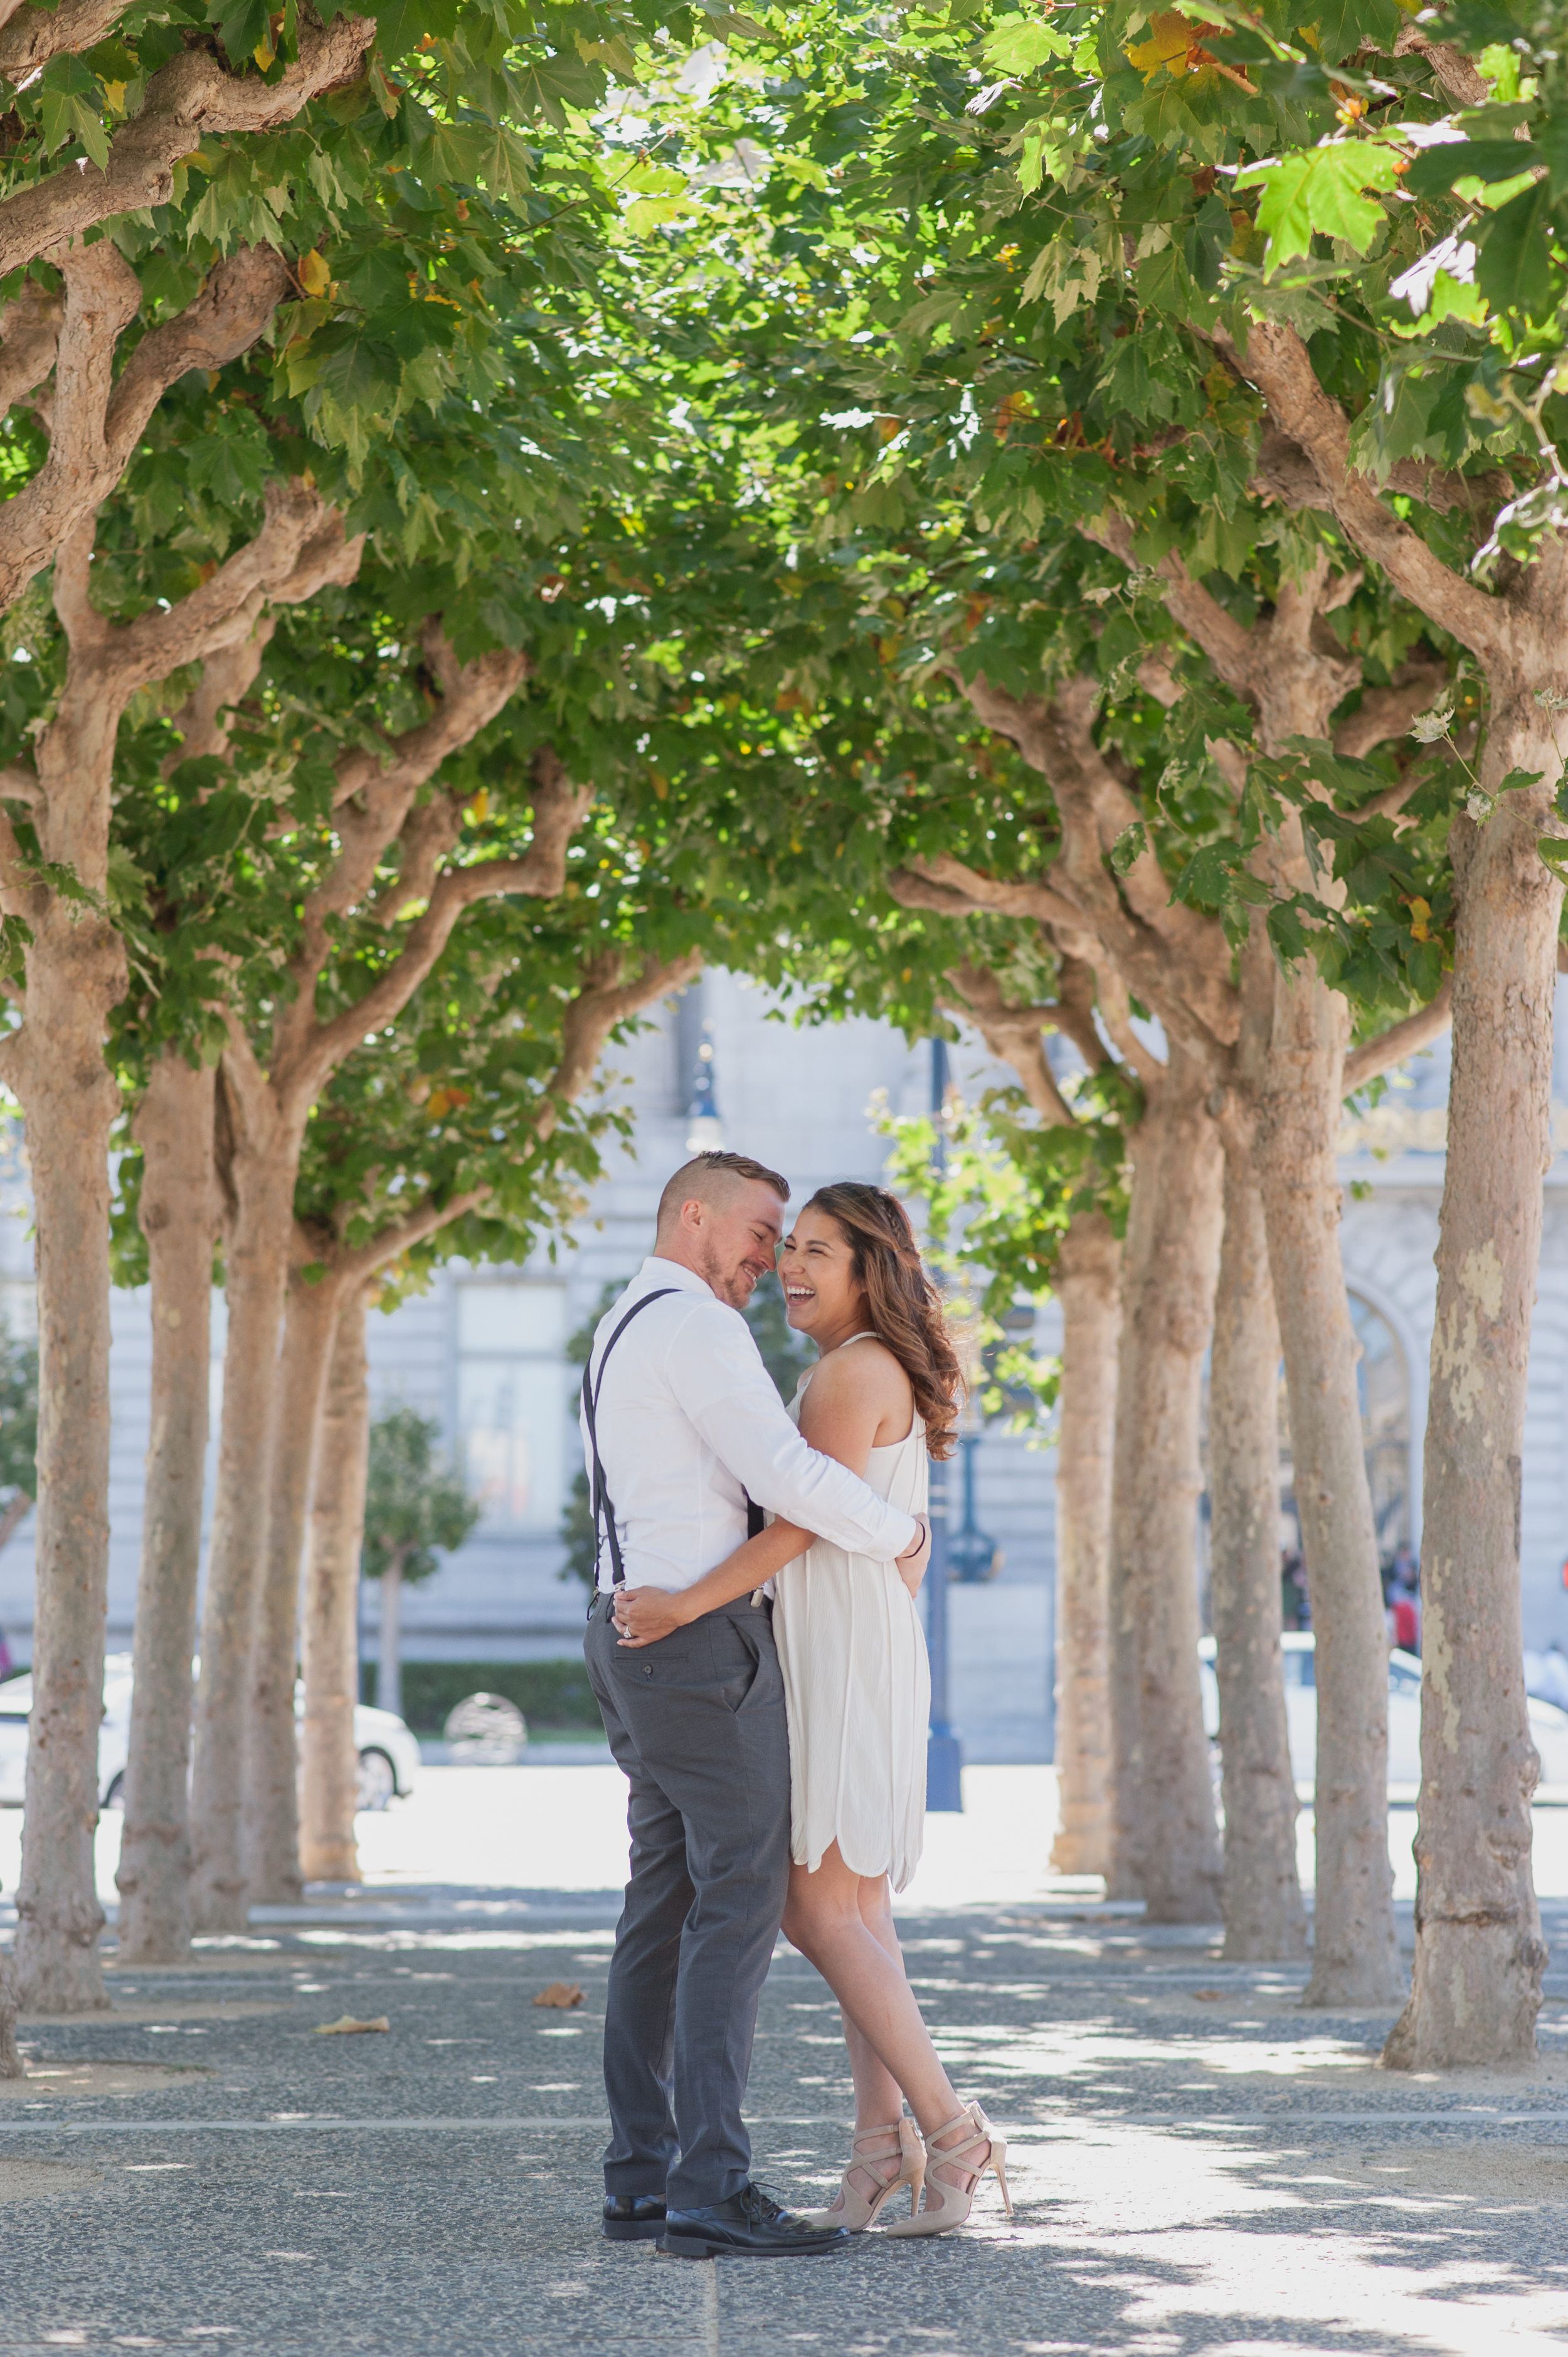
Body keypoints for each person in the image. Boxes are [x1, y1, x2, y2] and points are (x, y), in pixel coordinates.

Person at [616, 1183, 1012, 2239]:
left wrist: (687, 1601)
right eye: (786, 1245)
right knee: (858, 1915)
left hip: (839, 1644)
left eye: (818, 1251)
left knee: (816, 1910)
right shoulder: (860, 1365)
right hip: (855, 1635)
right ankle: (880, 2151)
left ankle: (953, 2130)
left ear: (869, 1268)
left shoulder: (848, 1371)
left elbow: (800, 1523)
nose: (790, 1265)